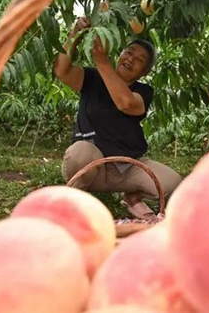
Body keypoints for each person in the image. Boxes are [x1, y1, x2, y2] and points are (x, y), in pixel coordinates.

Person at [53, 16, 182, 220]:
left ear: (144, 72)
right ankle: (77, 200)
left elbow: (126, 103)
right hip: (92, 167)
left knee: (174, 184)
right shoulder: (92, 79)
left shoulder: (143, 91)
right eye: (129, 53)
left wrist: (101, 60)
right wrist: (76, 34)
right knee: (80, 151)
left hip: (127, 167)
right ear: (120, 54)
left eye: (139, 60)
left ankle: (132, 197)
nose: (131, 59)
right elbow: (61, 70)